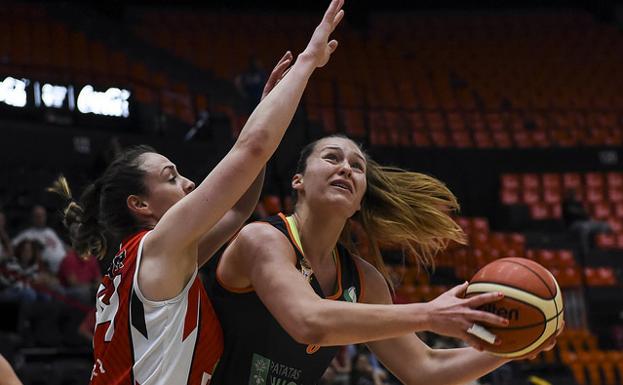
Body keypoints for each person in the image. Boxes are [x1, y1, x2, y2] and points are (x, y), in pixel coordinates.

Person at [48, 1, 344, 383]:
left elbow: (239, 208)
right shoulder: (160, 246)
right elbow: (251, 151)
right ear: (140, 204)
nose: (188, 183)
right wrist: (307, 62)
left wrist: (268, 109)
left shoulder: (158, 259)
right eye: (171, 178)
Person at [205, 135, 563, 385]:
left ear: (359, 200)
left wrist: (515, 346)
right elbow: (308, 321)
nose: (346, 168)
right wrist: (429, 314)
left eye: (357, 167)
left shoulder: (364, 280)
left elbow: (424, 370)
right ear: (298, 180)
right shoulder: (263, 239)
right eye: (332, 157)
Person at [12, 205, 66, 273]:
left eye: (42, 215)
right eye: (37, 216)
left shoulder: (50, 231)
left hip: (65, 267)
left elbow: (63, 247)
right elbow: (13, 246)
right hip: (45, 271)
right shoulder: (27, 234)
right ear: (32, 218)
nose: (40, 218)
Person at [561, 188, 611, 255]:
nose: (573, 196)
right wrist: (581, 214)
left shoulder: (578, 204)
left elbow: (585, 214)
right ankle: (586, 251)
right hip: (573, 225)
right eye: (571, 194)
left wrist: (588, 218)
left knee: (604, 225)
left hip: (585, 222)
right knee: (585, 227)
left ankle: (606, 246)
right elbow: (573, 213)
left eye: (573, 194)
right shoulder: (566, 204)